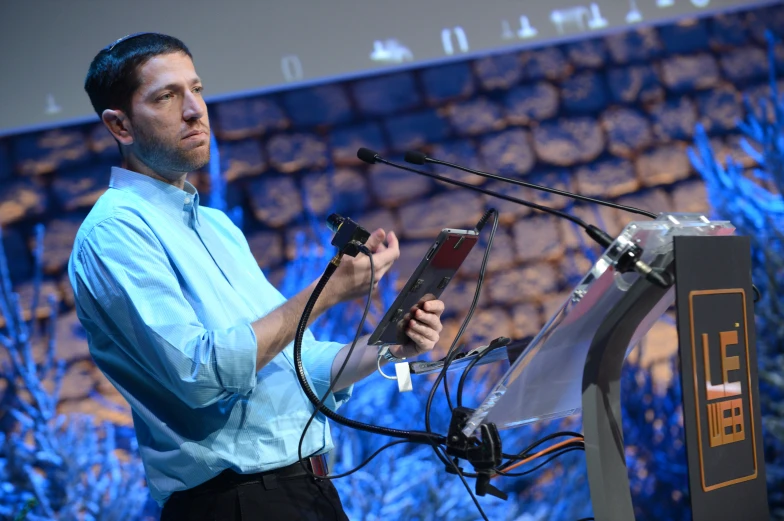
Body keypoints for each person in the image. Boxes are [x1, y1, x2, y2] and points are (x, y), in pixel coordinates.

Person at [68, 33, 445, 521]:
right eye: (166, 96)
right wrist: (328, 292)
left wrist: (393, 348)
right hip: (237, 503)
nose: (194, 110)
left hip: (306, 489)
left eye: (196, 89)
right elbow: (199, 376)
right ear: (119, 125)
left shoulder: (215, 226)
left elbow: (297, 362)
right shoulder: (115, 234)